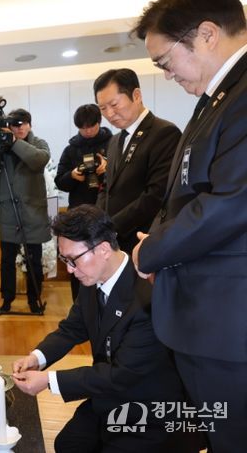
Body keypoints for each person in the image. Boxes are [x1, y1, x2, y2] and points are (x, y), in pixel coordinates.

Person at [132, 1, 247, 451]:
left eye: (165, 61)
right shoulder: (218, 98)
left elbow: (230, 203)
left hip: (228, 320)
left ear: (207, 34)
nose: (167, 75)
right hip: (209, 317)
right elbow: (183, 193)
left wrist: (151, 251)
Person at [12, 205, 196, 453]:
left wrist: (48, 380)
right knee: (67, 444)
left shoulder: (147, 297)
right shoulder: (93, 277)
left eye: (73, 260)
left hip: (149, 412)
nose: (69, 270)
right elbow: (72, 329)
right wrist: (37, 358)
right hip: (109, 398)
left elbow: (120, 375)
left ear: (103, 249)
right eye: (65, 260)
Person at [94, 68, 181, 253]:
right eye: (103, 109)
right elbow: (107, 187)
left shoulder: (163, 132)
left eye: (114, 104)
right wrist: (98, 221)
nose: (109, 114)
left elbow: (156, 194)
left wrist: (112, 226)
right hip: (114, 242)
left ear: (136, 95)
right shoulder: (114, 140)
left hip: (144, 239)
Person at [0, 108, 51, 314]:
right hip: (8, 211)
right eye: (15, 125)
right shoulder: (1, 146)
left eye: (24, 124)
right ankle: (7, 299)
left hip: (33, 212)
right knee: (7, 259)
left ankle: (34, 300)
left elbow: (38, 160)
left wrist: (14, 142)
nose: (20, 128)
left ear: (30, 125)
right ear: (9, 127)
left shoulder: (38, 143)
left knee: (33, 260)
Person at [55, 104, 112, 299]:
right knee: (77, 261)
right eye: (82, 128)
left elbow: (127, 178)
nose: (87, 131)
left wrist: (108, 170)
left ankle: (106, 302)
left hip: (106, 212)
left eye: (91, 126)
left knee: (105, 260)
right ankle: (79, 304)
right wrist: (72, 175)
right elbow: (60, 182)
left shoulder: (113, 144)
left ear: (99, 122)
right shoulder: (71, 150)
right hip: (78, 214)